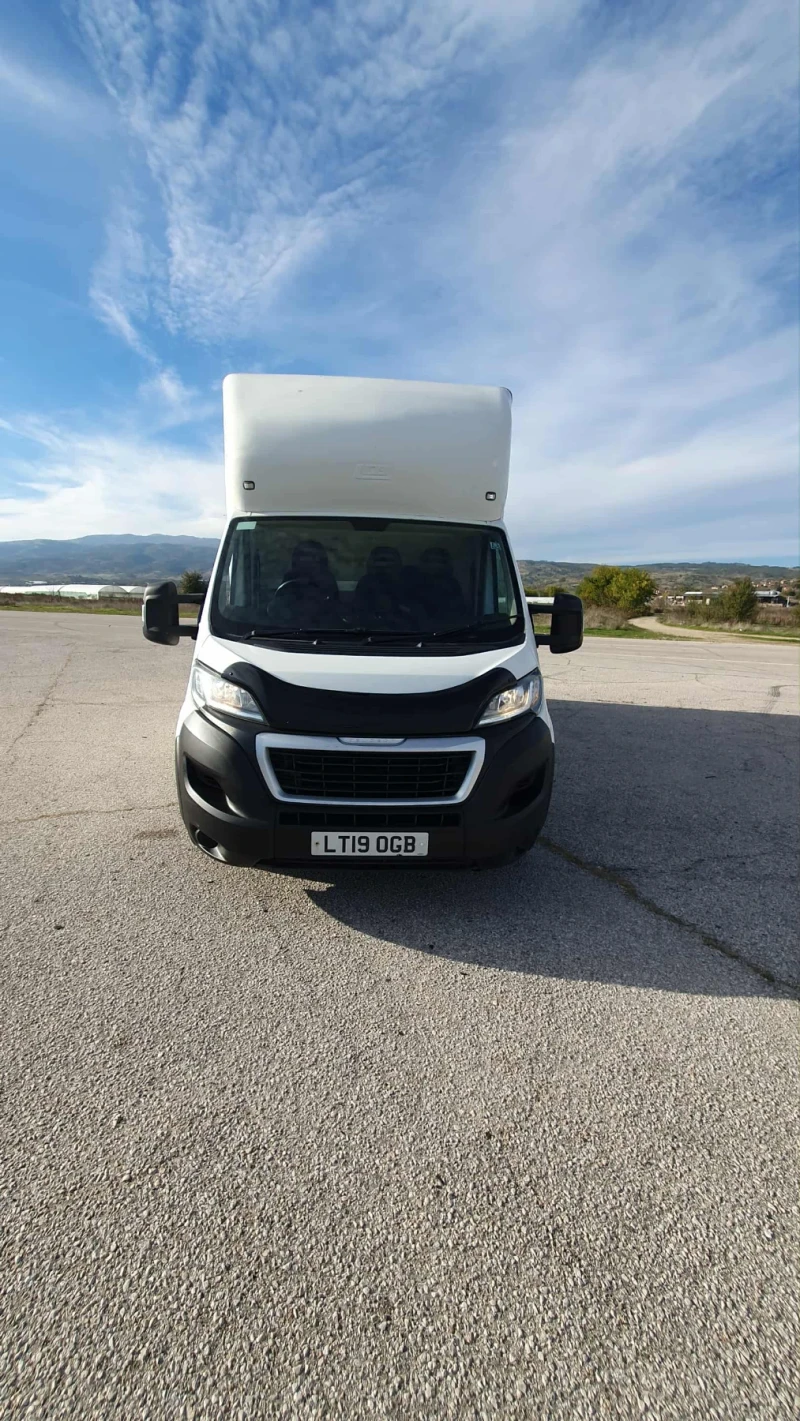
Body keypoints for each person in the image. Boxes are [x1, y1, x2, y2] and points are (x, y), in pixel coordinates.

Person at [266, 539, 340, 626]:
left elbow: (333, 606)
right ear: (296, 557)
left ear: (320, 558)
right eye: (303, 554)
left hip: (320, 625)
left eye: (312, 555)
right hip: (290, 625)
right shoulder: (290, 576)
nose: (306, 558)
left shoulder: (326, 577)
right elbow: (280, 601)